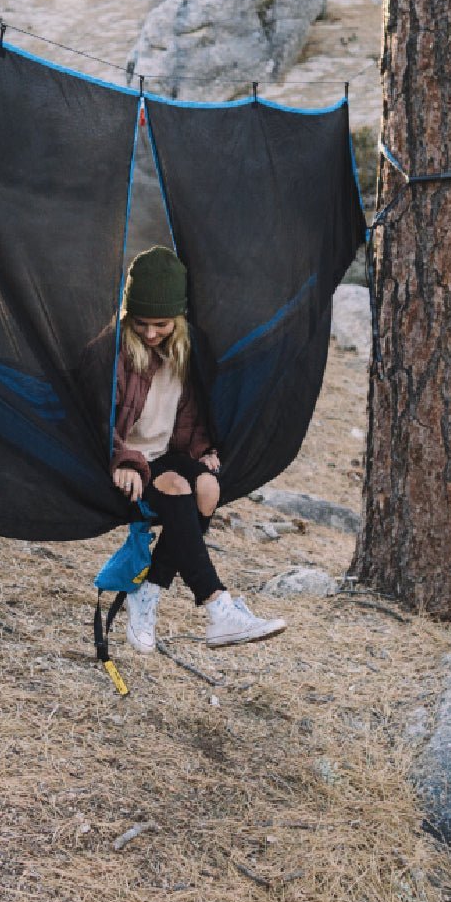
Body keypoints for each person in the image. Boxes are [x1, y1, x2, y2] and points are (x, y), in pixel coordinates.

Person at [109, 246, 285, 654]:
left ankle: (148, 592)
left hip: (164, 455)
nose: (151, 334)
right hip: (128, 461)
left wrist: (202, 449)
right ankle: (217, 605)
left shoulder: (183, 354)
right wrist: (124, 461)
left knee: (208, 488)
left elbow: (186, 416)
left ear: (179, 319)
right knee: (175, 488)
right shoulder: (114, 353)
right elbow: (94, 421)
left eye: (161, 324)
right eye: (141, 323)